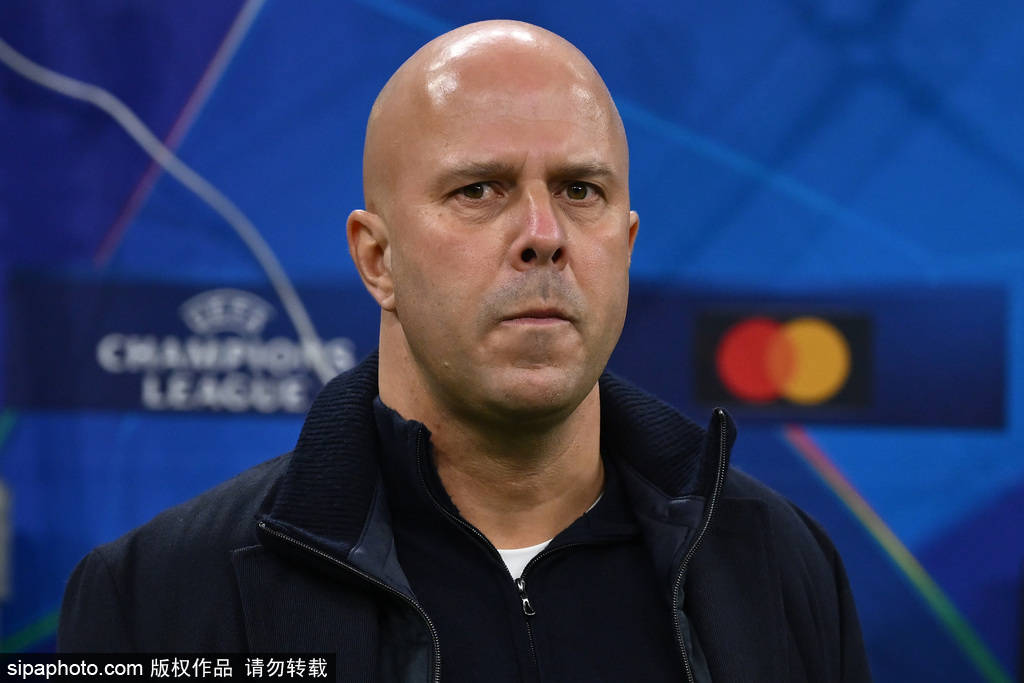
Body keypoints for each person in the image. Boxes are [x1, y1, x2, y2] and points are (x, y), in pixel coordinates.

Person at [58, 20, 872, 682]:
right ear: (378, 259)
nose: (544, 235)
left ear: (625, 246)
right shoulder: (155, 595)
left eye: (580, 190)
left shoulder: (779, 564)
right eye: (479, 189)